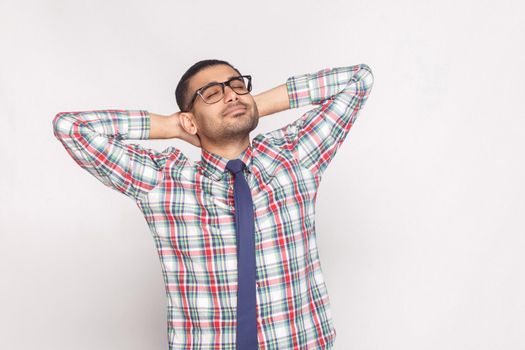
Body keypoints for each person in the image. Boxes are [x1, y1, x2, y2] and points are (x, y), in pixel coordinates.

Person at [52, 58, 374, 350]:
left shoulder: (293, 156)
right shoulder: (165, 183)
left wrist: (252, 105)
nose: (231, 94)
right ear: (190, 120)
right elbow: (71, 128)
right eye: (212, 93)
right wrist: (172, 126)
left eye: (236, 86)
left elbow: (358, 79)